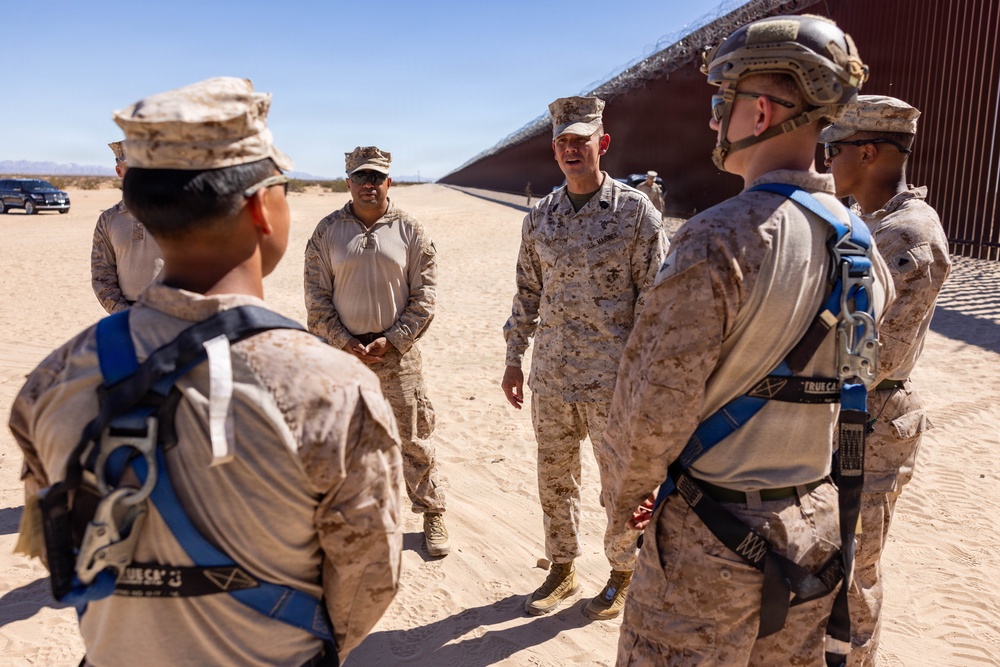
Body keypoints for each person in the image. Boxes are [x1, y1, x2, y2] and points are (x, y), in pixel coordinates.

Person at [9, 77, 403, 666]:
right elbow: (369, 579)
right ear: (259, 207)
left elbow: (57, 545)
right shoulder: (331, 388)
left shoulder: (53, 379)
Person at [600, 15, 895, 665]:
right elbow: (861, 384)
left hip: (709, 548)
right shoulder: (864, 250)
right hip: (816, 535)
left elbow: (648, 412)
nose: (713, 121)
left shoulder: (719, 238)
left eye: (719, 104)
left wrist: (625, 513)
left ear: (758, 112)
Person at [501, 95, 667, 620]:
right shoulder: (542, 217)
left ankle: (623, 570)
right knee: (554, 476)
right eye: (563, 142)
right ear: (555, 150)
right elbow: (527, 291)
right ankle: (562, 567)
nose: (572, 150)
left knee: (619, 483)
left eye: (581, 140)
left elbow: (655, 302)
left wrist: (645, 379)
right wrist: (513, 356)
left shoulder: (634, 213)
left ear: (603, 143)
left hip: (612, 379)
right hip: (551, 375)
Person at [821, 95, 951, 666]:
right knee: (827, 565)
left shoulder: (905, 238)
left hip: (868, 426)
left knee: (852, 576)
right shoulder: (868, 220)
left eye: (834, 149)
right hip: (843, 418)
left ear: (867, 151)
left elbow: (870, 361)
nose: (827, 161)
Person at [304, 145, 450, 558]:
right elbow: (316, 297)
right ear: (347, 181)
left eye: (376, 177)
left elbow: (426, 296)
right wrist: (343, 341)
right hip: (342, 357)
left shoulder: (411, 230)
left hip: (398, 357)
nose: (369, 184)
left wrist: (396, 338)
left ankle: (432, 512)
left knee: (415, 440)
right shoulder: (327, 231)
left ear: (390, 181)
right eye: (361, 177)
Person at [91, 140, 164, 313]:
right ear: (119, 171)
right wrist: (124, 315)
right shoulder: (108, 220)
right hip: (126, 318)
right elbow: (102, 274)